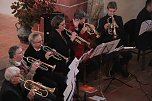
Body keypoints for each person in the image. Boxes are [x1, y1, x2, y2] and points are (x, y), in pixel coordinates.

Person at [24, 32, 67, 100]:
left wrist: (52, 54)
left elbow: (50, 63)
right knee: (54, 85)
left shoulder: (42, 48)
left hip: (48, 72)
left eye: (42, 40)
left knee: (63, 80)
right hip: (39, 76)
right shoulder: (28, 54)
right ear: (32, 43)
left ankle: (63, 97)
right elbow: (37, 70)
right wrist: (45, 58)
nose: (41, 43)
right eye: (39, 42)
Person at [95, 1, 132, 77]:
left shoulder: (118, 18)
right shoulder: (102, 20)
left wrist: (117, 26)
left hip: (118, 41)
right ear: (107, 9)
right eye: (110, 11)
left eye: (113, 11)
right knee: (114, 55)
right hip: (107, 42)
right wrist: (104, 28)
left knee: (129, 55)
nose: (112, 13)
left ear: (116, 10)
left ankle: (115, 68)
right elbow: (98, 36)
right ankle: (121, 70)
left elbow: (123, 33)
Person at [135, 0, 152, 66]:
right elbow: (144, 29)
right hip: (142, 39)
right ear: (150, 5)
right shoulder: (143, 14)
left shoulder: (149, 12)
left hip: (147, 35)